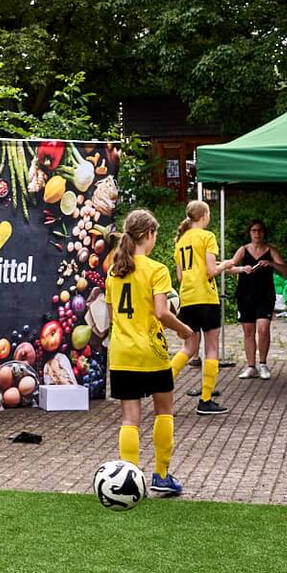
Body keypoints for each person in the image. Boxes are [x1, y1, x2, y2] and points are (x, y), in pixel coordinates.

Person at [103, 209, 201, 498]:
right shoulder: (157, 270)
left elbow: (112, 318)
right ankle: (161, 475)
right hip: (150, 351)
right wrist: (184, 330)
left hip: (121, 353)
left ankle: (130, 481)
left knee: (129, 419)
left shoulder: (113, 271)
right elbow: (161, 312)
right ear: (148, 234)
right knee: (164, 412)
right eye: (155, 234)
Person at [173, 200, 226, 415]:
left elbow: (179, 275)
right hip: (207, 297)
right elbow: (211, 270)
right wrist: (227, 265)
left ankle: (162, 382)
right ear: (204, 216)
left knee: (188, 348)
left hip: (188, 299)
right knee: (211, 348)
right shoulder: (208, 237)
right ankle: (205, 400)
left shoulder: (181, 240)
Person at [227, 220, 286, 380]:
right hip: (245, 295)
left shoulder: (270, 250)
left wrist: (271, 264)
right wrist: (242, 269)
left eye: (260, 230)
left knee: (263, 329)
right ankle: (251, 366)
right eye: (254, 231)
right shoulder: (243, 250)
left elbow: (286, 271)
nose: (257, 234)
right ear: (250, 233)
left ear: (263, 232)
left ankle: (263, 364)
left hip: (265, 295)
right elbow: (229, 267)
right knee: (248, 331)